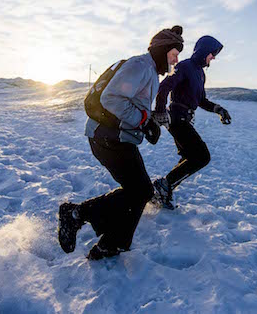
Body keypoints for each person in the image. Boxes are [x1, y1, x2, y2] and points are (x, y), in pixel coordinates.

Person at [58, 26, 184, 260]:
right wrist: (144, 123)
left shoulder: (150, 72)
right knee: (141, 190)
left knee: (139, 191)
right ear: (162, 50)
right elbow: (111, 98)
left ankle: (111, 243)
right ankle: (76, 215)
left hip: (117, 137)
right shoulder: (140, 66)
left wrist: (149, 124)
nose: (176, 59)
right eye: (174, 53)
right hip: (107, 137)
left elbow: (135, 106)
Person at [151, 35, 231, 209]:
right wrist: (159, 111)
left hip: (185, 119)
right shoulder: (185, 66)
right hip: (176, 118)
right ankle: (164, 186)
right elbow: (164, 86)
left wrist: (219, 109)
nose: (214, 57)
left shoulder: (200, 74)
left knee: (190, 157)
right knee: (202, 157)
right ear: (204, 52)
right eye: (212, 53)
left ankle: (163, 190)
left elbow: (201, 100)